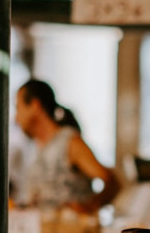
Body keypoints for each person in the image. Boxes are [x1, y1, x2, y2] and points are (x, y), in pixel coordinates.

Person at [14, 80, 120, 213]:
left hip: (72, 232)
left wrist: (90, 206)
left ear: (35, 106)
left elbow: (112, 182)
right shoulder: (33, 147)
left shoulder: (70, 142)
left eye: (18, 108)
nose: (16, 118)